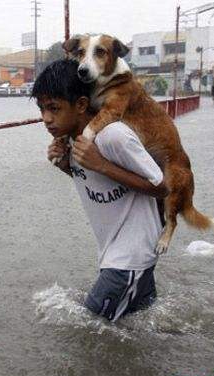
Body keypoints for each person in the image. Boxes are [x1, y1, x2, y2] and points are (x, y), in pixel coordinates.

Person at [32, 59, 168, 322]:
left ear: (81, 104)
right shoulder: (73, 140)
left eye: (54, 108)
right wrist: (65, 165)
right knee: (141, 332)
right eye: (42, 109)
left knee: (90, 335)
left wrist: (102, 164)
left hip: (128, 260)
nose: (46, 119)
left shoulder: (113, 136)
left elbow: (161, 187)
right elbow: (97, 182)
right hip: (119, 256)